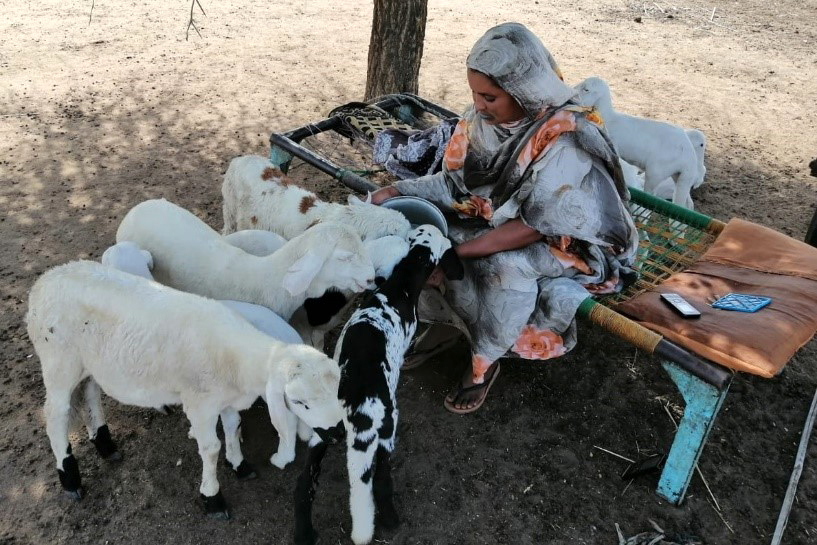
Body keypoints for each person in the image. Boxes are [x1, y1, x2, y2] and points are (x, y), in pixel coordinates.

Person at [370, 22, 639, 414]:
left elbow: (533, 227)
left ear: (524, 90)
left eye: (490, 97)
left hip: (569, 242)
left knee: (501, 268)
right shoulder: (481, 122)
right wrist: (396, 192)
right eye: (475, 94)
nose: (479, 105)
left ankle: (484, 361)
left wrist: (458, 254)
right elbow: (453, 183)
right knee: (419, 234)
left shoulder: (565, 138)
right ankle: (450, 329)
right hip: (499, 221)